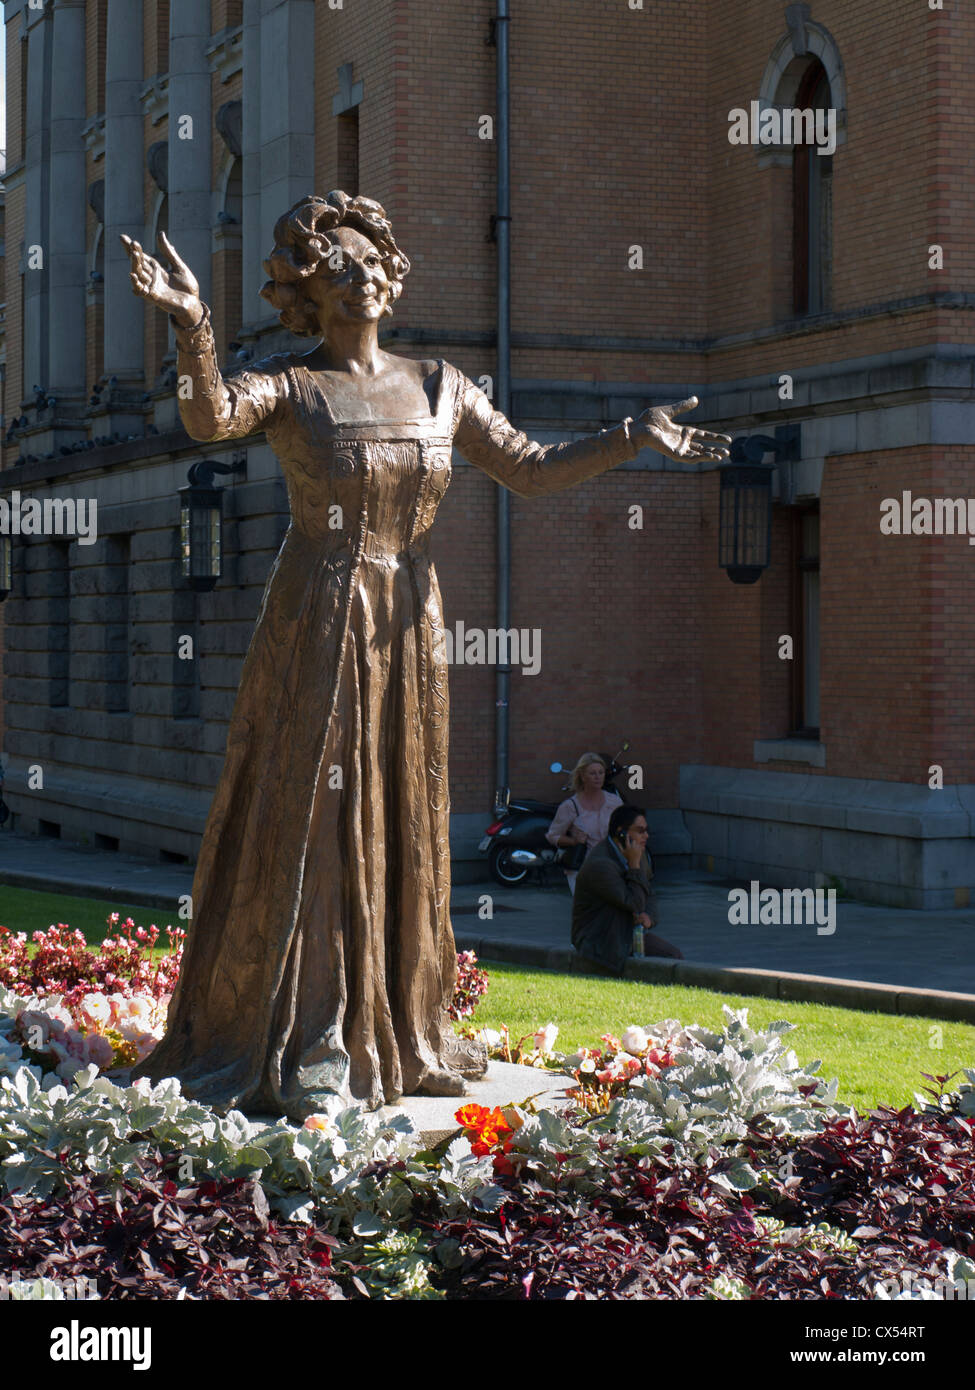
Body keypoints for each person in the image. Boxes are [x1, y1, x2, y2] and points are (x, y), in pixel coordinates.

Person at [121, 191, 726, 1119]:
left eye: (373, 261)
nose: (362, 274)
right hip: (321, 613)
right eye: (339, 267)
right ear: (310, 294)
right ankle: (315, 1030)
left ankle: (400, 1026)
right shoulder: (293, 387)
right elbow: (208, 418)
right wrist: (194, 324)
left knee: (401, 807)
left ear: (393, 277)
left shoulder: (443, 384)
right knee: (322, 817)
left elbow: (528, 466)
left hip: (409, 615)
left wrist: (628, 437)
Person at [572, 804, 683, 974]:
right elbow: (634, 903)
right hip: (600, 939)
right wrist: (634, 866)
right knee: (669, 958)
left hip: (625, 932)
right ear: (621, 832)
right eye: (640, 831)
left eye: (647, 830)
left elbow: (649, 894)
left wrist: (649, 918)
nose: (646, 836)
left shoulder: (637, 854)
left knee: (674, 955)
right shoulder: (601, 865)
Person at [546, 752, 622, 894]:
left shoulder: (615, 802)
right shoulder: (570, 806)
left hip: (610, 867)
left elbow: (625, 829)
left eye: (601, 772)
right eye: (592, 773)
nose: (598, 777)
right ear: (582, 776)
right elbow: (553, 836)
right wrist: (573, 841)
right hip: (581, 870)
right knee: (589, 912)